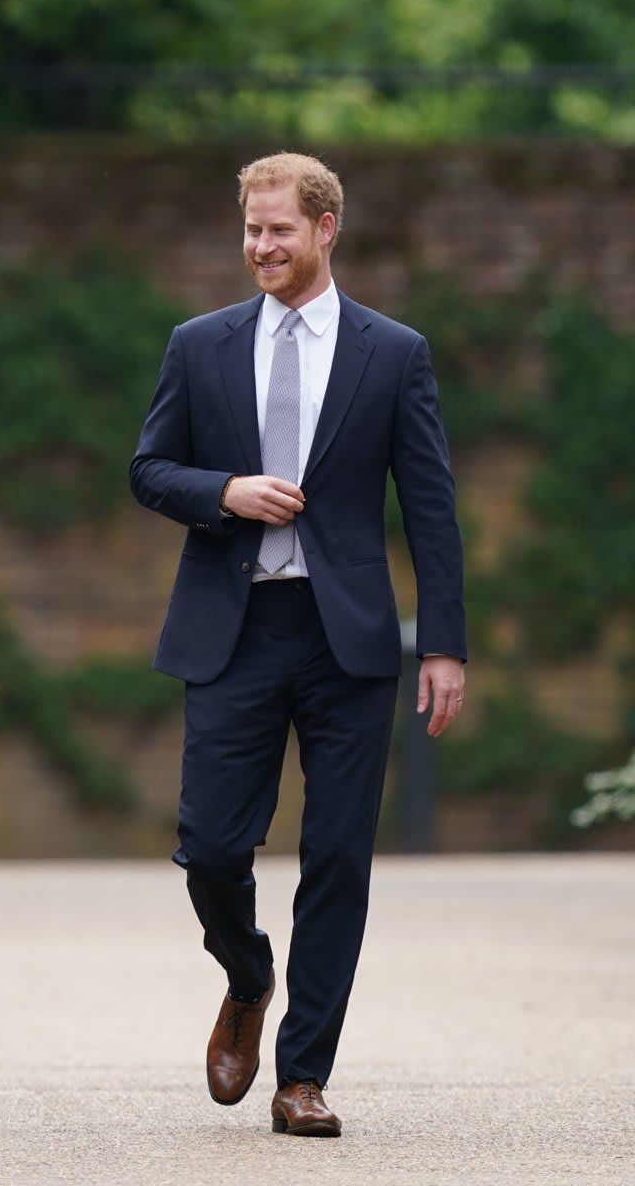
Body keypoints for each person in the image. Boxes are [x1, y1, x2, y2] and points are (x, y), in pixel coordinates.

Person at [130, 152, 466, 1137]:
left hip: (348, 637)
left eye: (279, 229)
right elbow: (149, 470)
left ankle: (303, 1075)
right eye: (250, 229)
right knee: (210, 846)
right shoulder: (199, 345)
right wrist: (223, 493)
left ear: (326, 229)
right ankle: (246, 971)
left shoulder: (393, 353)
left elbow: (433, 511)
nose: (261, 246)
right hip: (233, 630)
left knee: (338, 858)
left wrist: (442, 645)